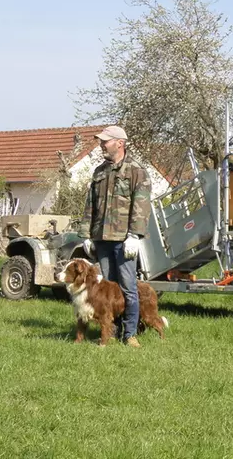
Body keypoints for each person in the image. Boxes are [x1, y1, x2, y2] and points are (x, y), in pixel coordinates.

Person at [77, 125, 152, 348]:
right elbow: (90, 204)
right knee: (108, 290)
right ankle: (111, 330)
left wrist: (134, 235)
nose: (101, 145)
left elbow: (141, 204)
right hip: (102, 238)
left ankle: (130, 334)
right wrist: (87, 234)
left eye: (105, 142)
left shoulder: (136, 170)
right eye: (101, 141)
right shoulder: (99, 171)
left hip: (123, 239)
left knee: (128, 287)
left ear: (119, 143)